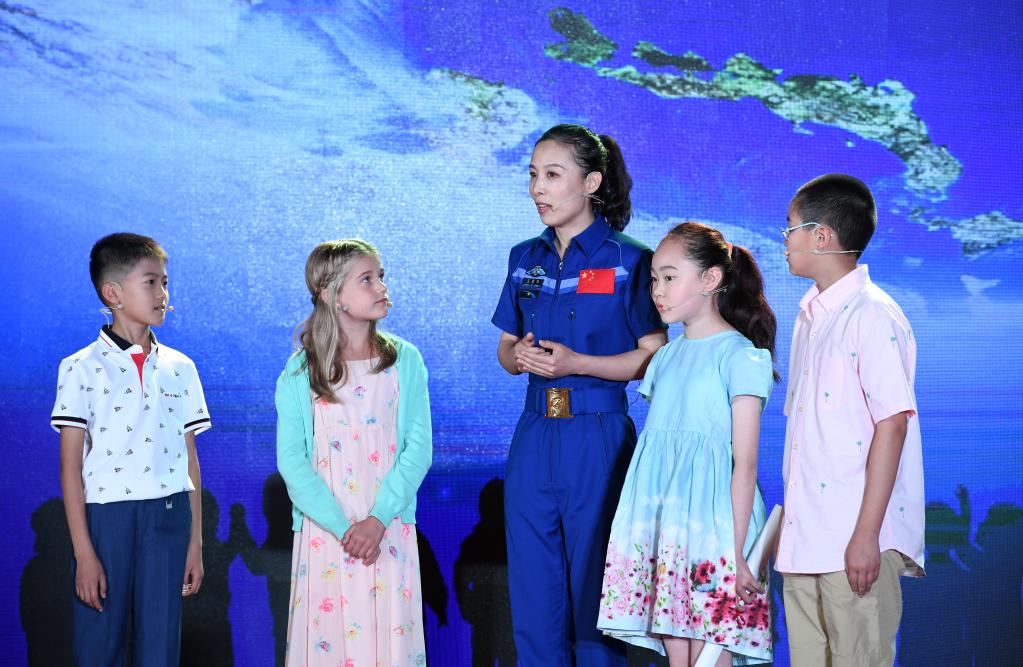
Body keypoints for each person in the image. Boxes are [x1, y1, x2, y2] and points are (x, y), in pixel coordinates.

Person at [492, 123, 667, 666]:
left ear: (591, 182)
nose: (537, 188)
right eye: (532, 175)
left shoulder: (630, 260)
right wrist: (518, 357)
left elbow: (655, 356)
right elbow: (505, 349)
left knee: (597, 591)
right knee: (533, 590)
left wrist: (578, 364)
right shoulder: (524, 257)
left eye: (552, 175)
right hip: (533, 433)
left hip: (599, 435)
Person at [598, 222, 777, 666]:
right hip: (665, 525)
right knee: (675, 646)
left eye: (670, 277)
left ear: (711, 279)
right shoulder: (664, 358)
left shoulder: (740, 355)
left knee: (712, 649)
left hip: (716, 526)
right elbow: (662, 457)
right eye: (654, 279)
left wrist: (737, 550)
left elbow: (744, 466)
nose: (658, 291)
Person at [775, 174, 925, 667]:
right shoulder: (808, 318)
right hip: (806, 543)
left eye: (791, 228)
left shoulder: (872, 314)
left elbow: (892, 425)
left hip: (853, 541)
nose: (785, 239)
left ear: (822, 236)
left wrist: (866, 537)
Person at [52, 232, 208, 666]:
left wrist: (195, 543)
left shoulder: (181, 367)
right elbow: (70, 469)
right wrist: (84, 553)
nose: (162, 294)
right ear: (113, 293)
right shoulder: (81, 368)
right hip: (107, 520)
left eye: (165, 282)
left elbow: (190, 461)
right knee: (98, 645)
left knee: (161, 647)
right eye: (150, 282)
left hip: (169, 516)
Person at [275, 239, 432, 665]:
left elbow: (418, 448)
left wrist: (377, 520)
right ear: (332, 294)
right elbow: (292, 462)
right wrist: (344, 528)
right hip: (327, 536)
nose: (381, 287)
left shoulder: (405, 361)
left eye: (381, 276)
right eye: (367, 279)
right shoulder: (301, 370)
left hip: (388, 530)